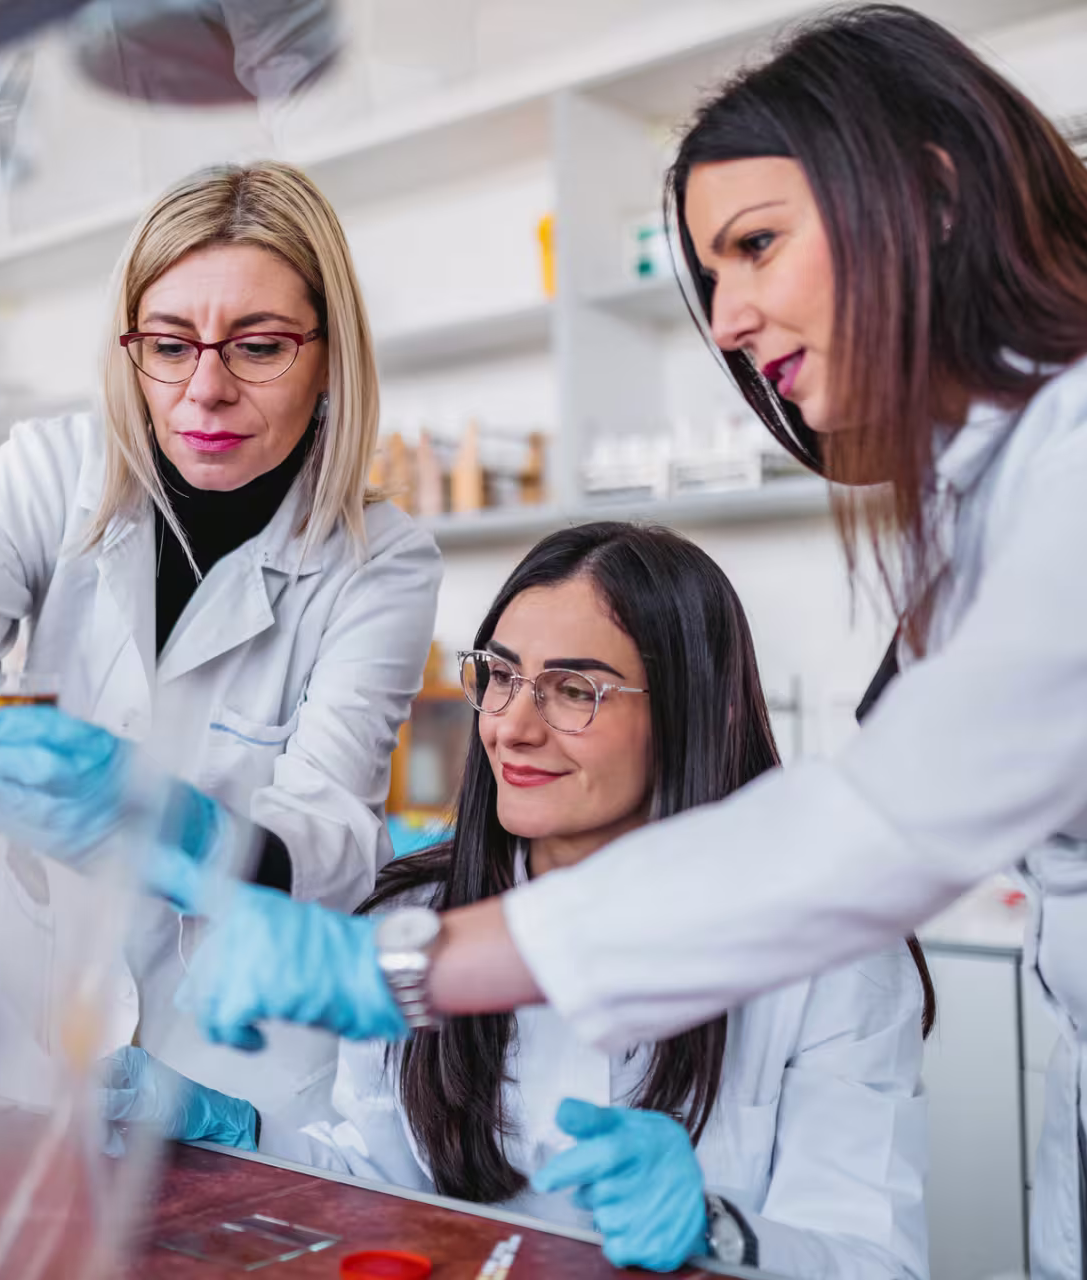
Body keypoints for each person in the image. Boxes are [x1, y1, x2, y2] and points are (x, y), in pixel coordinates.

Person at [170, 8, 1087, 1276]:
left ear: (931, 195)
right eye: (711, 275)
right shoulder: (1005, 483)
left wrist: (407, 966)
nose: (732, 319)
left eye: (756, 244)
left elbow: (877, 826)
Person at [109, 524, 933, 1275]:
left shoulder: (837, 958)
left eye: (575, 690)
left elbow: (876, 1262)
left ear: (700, 710)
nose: (512, 726)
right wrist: (241, 1138)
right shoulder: (418, 916)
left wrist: (715, 1229)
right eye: (501, 676)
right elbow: (379, 1184)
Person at [0, 161, 441, 1114]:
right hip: (25, 1030)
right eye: (170, 345)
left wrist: (184, 830)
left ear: (329, 356)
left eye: (259, 347)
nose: (206, 389)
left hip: (232, 1054)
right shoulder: (44, 474)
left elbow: (334, 839)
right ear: (130, 349)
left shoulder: (379, 560)